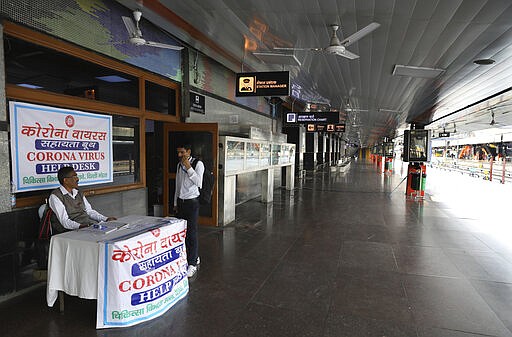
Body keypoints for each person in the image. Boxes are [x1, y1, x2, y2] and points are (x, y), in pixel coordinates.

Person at [48, 166, 116, 233]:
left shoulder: (78, 192)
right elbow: (65, 221)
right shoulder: (55, 196)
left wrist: (106, 219)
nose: (77, 179)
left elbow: (89, 211)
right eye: (74, 176)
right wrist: (80, 226)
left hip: (87, 225)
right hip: (69, 231)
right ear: (65, 180)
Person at [173, 144, 204, 278]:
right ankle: (192, 256)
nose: (180, 155)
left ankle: (192, 263)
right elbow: (177, 185)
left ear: (189, 151)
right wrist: (175, 202)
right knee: (183, 233)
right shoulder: (179, 165)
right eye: (178, 152)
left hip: (192, 203)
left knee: (191, 233)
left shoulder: (198, 164)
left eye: (182, 152)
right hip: (181, 202)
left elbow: (199, 183)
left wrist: (189, 168)